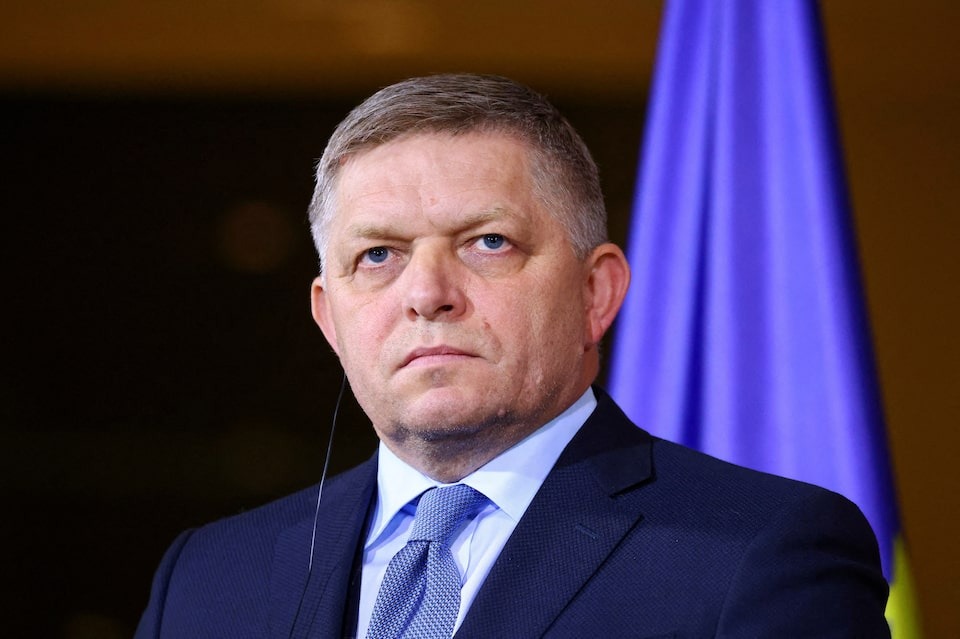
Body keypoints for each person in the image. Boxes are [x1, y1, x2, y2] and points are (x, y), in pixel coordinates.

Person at [135, 74, 890, 638]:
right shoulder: (206, 580)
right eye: (378, 255)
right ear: (330, 318)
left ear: (596, 293)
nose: (427, 294)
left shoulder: (760, 553)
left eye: (488, 242)